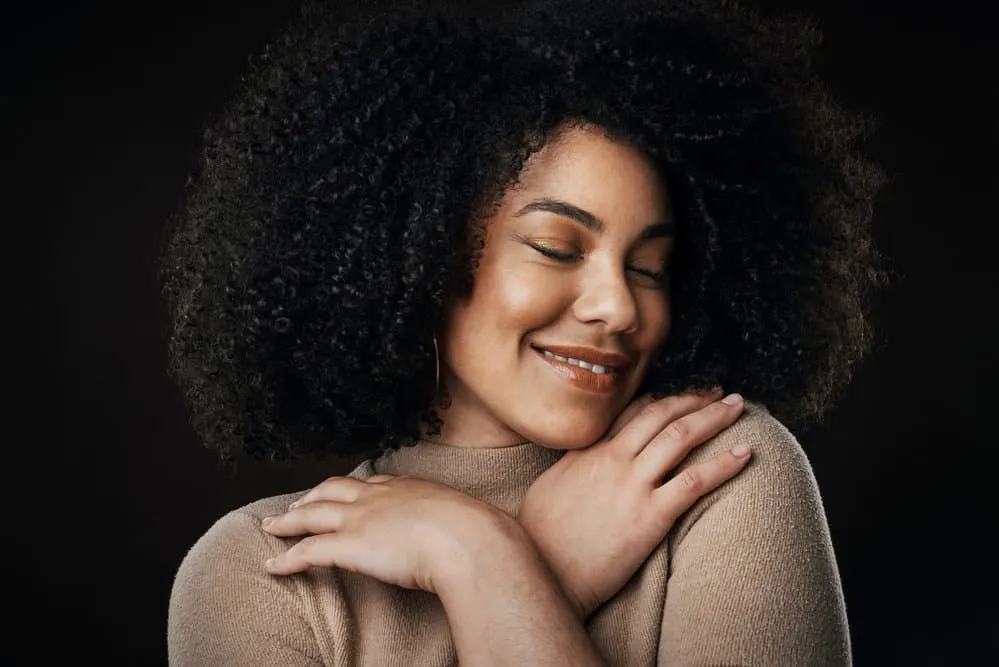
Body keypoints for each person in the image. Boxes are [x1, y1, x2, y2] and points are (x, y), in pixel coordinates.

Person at [159, 0, 890, 664]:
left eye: (652, 267)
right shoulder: (262, 574)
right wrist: (529, 573)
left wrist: (488, 564)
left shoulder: (712, 472)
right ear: (420, 253)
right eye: (556, 248)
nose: (619, 307)